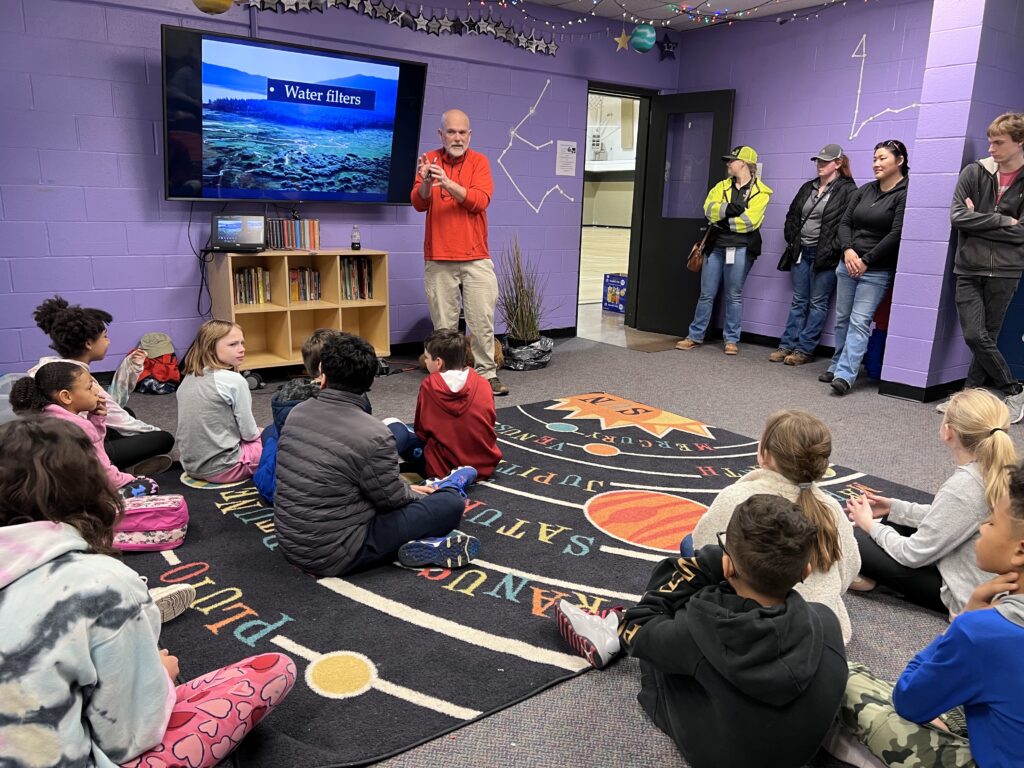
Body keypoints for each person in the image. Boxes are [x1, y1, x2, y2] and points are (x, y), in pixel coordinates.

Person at [0, 417, 295, 768]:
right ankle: (133, 627)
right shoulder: (101, 582)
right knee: (275, 668)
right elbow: (127, 739)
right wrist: (164, 677)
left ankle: (132, 624)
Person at [557, 495, 848, 768]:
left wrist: (707, 564)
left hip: (723, 757)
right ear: (806, 571)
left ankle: (609, 631)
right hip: (793, 755)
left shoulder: (698, 629)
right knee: (701, 618)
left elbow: (637, 626)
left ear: (727, 564)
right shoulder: (825, 620)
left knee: (679, 613)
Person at [833, 460, 1024, 768]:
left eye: (992, 522)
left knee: (846, 678)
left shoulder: (981, 630)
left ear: (1020, 550)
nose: (981, 527)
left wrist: (961, 623)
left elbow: (909, 702)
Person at [274, 332, 482, 575]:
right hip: (336, 553)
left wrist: (403, 489)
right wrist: (416, 494)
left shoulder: (297, 412)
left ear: (323, 374)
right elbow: (391, 500)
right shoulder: (374, 434)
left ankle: (419, 542)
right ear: (371, 382)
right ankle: (427, 533)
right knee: (450, 504)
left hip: (290, 544)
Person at [692, 409, 860, 642]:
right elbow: (850, 569)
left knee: (689, 546)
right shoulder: (830, 507)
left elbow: (703, 548)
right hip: (823, 631)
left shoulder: (737, 497)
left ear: (765, 455)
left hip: (754, 624)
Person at [847, 388, 1017, 617]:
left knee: (853, 539)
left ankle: (869, 576)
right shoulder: (1002, 468)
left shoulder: (963, 487)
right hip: (986, 579)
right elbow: (951, 516)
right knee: (890, 520)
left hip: (966, 596)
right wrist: (894, 507)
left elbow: (913, 555)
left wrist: (870, 525)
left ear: (949, 432)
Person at [412, 108, 508, 396]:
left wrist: (447, 182)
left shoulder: (480, 162)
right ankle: (447, 378)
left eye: (462, 132)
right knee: (445, 328)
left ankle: (486, 375)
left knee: (482, 322)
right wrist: (428, 182)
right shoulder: (428, 160)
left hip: (476, 257)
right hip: (438, 258)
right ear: (441, 134)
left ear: (470, 135)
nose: (457, 137)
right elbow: (419, 203)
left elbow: (479, 201)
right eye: (451, 132)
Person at [30, 295, 175, 475]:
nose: (108, 341)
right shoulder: (76, 376)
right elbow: (118, 416)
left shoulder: (54, 367)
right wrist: (154, 432)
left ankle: (125, 464)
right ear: (89, 343)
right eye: (105, 337)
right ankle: (113, 469)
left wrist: (128, 369)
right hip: (73, 454)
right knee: (163, 439)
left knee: (126, 412)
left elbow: (111, 407)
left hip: (52, 443)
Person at [940, 112, 1024, 422]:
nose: (991, 148)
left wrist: (979, 221)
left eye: (999, 142)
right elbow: (958, 217)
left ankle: (965, 402)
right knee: (975, 335)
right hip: (969, 267)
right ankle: (1014, 389)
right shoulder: (974, 172)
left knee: (987, 334)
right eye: (989, 141)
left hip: (1006, 271)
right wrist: (1003, 220)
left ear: (1020, 143)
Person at [823, 139, 909, 395]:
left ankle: (845, 376)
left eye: (882, 158)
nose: (876, 164)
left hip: (876, 270)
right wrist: (848, 250)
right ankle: (837, 363)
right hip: (847, 263)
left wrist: (866, 260)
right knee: (842, 319)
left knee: (860, 321)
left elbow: (896, 234)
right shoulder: (865, 190)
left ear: (900, 161)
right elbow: (844, 223)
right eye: (874, 159)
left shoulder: (905, 193)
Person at [253, 328, 373, 503]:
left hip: (278, 490)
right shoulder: (354, 397)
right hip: (336, 491)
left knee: (272, 434)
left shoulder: (286, 395)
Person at [10, 361, 158, 500]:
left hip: (47, 494)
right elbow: (102, 471)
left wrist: (96, 420)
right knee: (149, 485)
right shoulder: (78, 427)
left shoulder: (43, 416)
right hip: (78, 496)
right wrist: (128, 479)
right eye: (89, 388)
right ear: (66, 396)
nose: (96, 392)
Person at [676, 146, 773, 355]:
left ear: (744, 164)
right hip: (716, 247)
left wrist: (723, 220)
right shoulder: (721, 186)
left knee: (733, 295)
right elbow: (708, 210)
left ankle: (731, 340)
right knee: (706, 294)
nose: (728, 164)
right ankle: (694, 336)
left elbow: (749, 223)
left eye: (732, 160)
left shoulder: (761, 192)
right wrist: (729, 210)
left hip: (740, 248)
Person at [771, 144, 857, 366]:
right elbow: (792, 216)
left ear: (838, 164)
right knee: (799, 300)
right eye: (818, 161)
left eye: (825, 162)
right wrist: (792, 238)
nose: (820, 165)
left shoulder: (848, 190)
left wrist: (834, 248)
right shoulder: (807, 187)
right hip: (801, 251)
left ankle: (803, 349)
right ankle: (786, 344)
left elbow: (848, 224)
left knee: (818, 303)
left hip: (825, 256)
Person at [386, 328, 502, 481]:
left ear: (439, 362)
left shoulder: (430, 385)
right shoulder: (483, 383)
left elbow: (422, 431)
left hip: (442, 468)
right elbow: (490, 422)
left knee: (393, 425)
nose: (425, 361)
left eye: (427, 357)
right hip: (484, 466)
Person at [176, 319, 262, 482]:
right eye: (233, 344)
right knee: (274, 436)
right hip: (225, 468)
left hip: (190, 466)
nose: (242, 349)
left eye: (242, 343)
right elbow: (249, 434)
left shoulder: (189, 377)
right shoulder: (234, 381)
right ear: (210, 348)